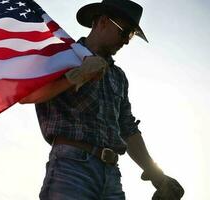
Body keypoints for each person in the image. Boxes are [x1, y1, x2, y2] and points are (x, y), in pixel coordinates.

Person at [20, 0, 184, 199]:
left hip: (112, 176)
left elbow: (128, 129)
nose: (126, 41)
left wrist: (158, 176)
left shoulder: (118, 77)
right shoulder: (63, 55)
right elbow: (28, 95)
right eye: (125, 32)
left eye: (131, 35)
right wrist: (78, 75)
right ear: (103, 22)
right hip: (71, 169)